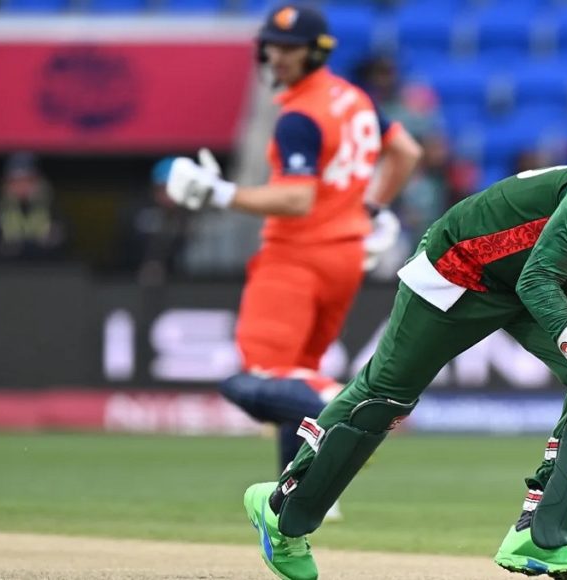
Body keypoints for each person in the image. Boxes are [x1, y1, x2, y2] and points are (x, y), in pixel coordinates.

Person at [239, 142, 567, 580]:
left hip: (546, 281)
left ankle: (542, 534)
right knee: (385, 399)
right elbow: (536, 278)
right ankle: (283, 510)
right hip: (462, 267)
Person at [164, 3, 422, 479]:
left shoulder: (299, 116)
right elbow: (406, 152)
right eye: (273, 46)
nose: (278, 57)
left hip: (295, 257)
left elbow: (296, 200)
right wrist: (372, 208)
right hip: (345, 258)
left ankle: (342, 408)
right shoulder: (353, 97)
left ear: (316, 51)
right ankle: (300, 489)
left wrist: (218, 191)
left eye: (291, 48)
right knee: (295, 378)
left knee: (256, 379)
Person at [0, 152, 69, 262]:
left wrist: (16, 247)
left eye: (28, 180)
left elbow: (63, 241)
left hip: (46, 269)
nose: (22, 186)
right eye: (16, 181)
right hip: (6, 270)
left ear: (37, 181)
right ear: (7, 183)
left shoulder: (52, 208)